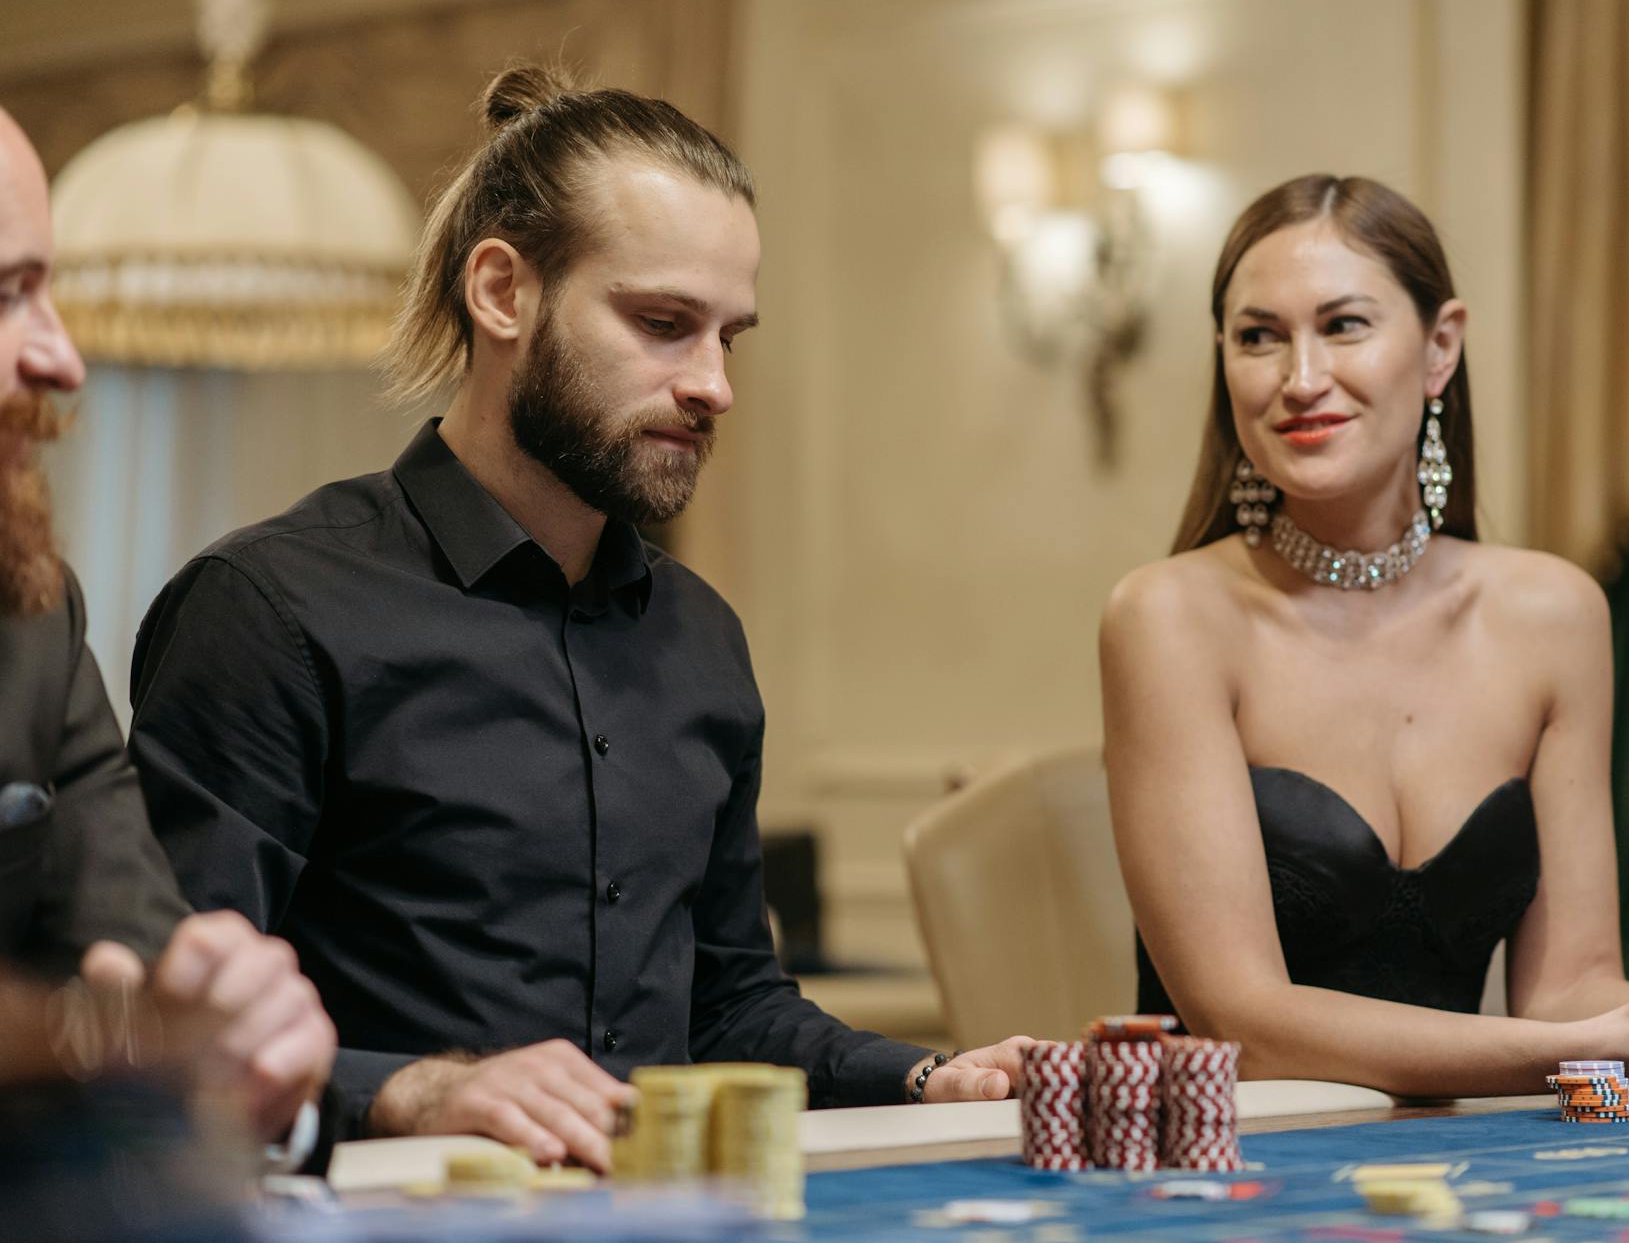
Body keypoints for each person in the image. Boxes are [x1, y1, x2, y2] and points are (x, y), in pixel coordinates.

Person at [127, 66, 1029, 1171]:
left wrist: (930, 1078)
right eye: (663, 324)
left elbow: (728, 1007)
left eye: (728, 337)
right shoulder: (268, 611)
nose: (714, 385)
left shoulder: (700, 638)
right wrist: (416, 1090)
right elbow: (167, 1032)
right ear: (503, 292)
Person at [1099, 173, 1629, 1098]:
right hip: (1229, 1166)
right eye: (1258, 337)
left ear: (1440, 347)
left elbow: (1572, 992)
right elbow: (1242, 1025)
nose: (1300, 379)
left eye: (1344, 325)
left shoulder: (1554, 613)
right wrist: (1623, 1043)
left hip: (1459, 1159)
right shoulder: (1167, 617)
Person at [0, 106, 336, 1152]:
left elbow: (147, 971)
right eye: (9, 295)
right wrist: (90, 1047)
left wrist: (248, 1044)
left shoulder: (36, 618)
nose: (64, 359)